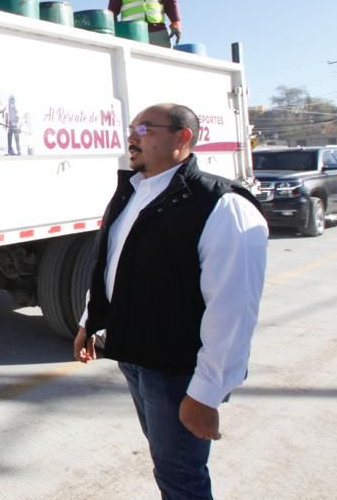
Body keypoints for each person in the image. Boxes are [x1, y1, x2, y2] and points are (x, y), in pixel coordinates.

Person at [74, 103, 268, 500]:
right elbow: (111, 263)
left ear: (183, 137)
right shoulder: (133, 192)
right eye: (131, 128)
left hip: (178, 371)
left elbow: (232, 311)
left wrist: (206, 393)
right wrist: (89, 321)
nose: (132, 136)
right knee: (168, 465)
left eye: (144, 128)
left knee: (180, 476)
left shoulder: (222, 205)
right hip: (136, 358)